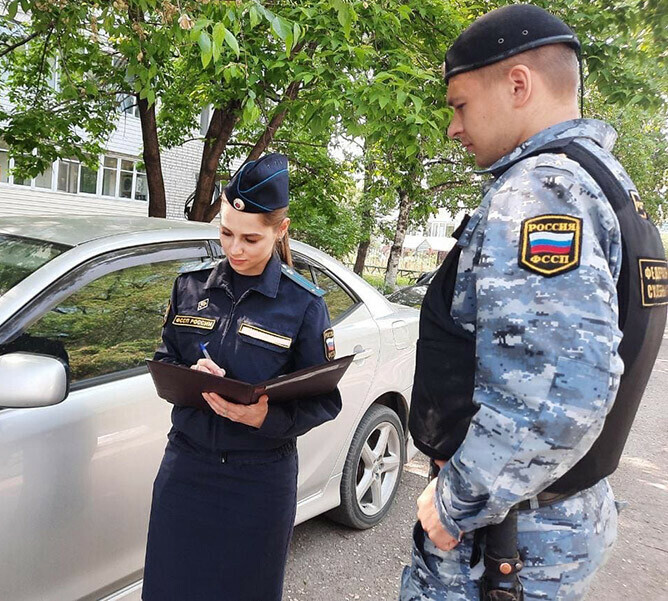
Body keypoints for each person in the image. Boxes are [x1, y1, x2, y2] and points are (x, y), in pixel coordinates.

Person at [400, 5, 666, 601]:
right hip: (551, 520)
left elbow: (557, 395)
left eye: (460, 104)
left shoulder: (541, 191)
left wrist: (455, 500)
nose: (453, 127)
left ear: (517, 84)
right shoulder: (607, 183)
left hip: (508, 541)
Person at [142, 153, 343, 601]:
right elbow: (164, 360)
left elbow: (325, 401)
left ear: (280, 231)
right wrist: (188, 374)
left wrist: (264, 420)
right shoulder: (190, 287)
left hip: (257, 482)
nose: (235, 249)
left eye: (251, 239)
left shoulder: (303, 304)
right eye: (226, 233)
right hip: (186, 470)